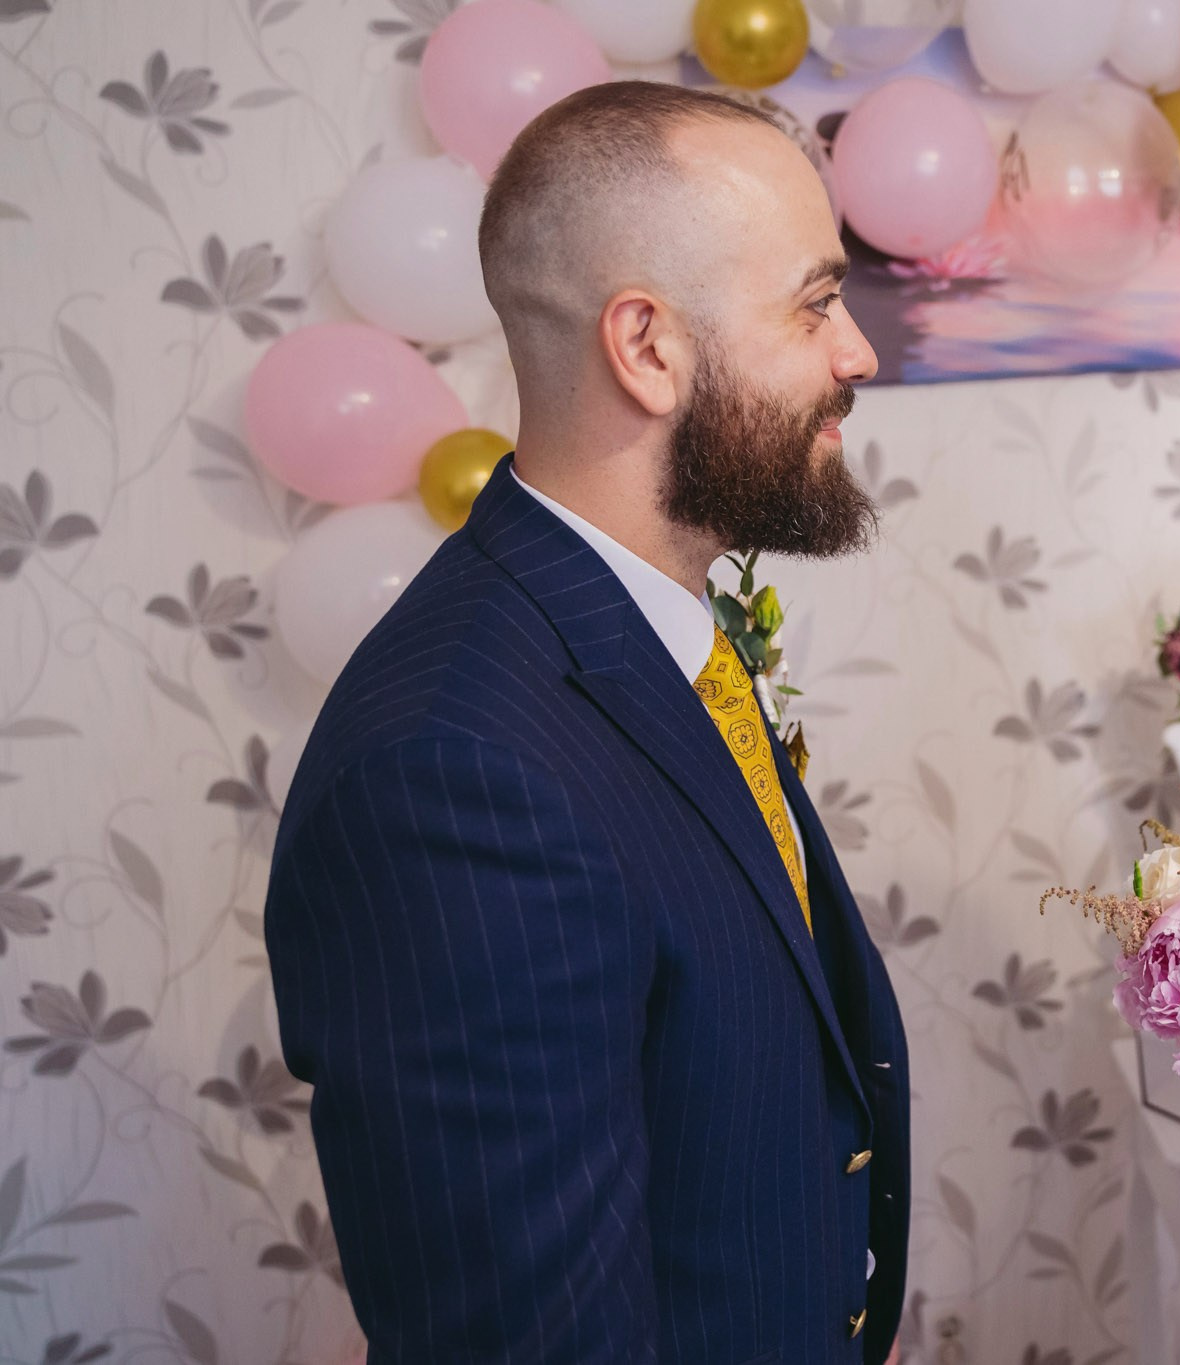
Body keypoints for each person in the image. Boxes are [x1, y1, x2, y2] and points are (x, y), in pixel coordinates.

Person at [264, 82, 910, 1362]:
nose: (857, 355)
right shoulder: (454, 776)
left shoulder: (656, 631)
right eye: (814, 303)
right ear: (648, 348)